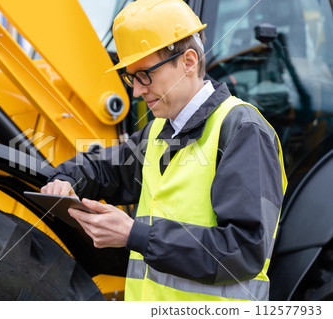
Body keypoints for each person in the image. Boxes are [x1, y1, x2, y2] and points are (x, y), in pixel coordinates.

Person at [41, 0, 287, 301]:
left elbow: (245, 251)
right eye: (131, 77)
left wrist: (135, 235)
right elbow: (107, 169)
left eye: (145, 75)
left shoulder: (242, 129)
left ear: (188, 61)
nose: (136, 91)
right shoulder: (160, 129)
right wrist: (66, 179)